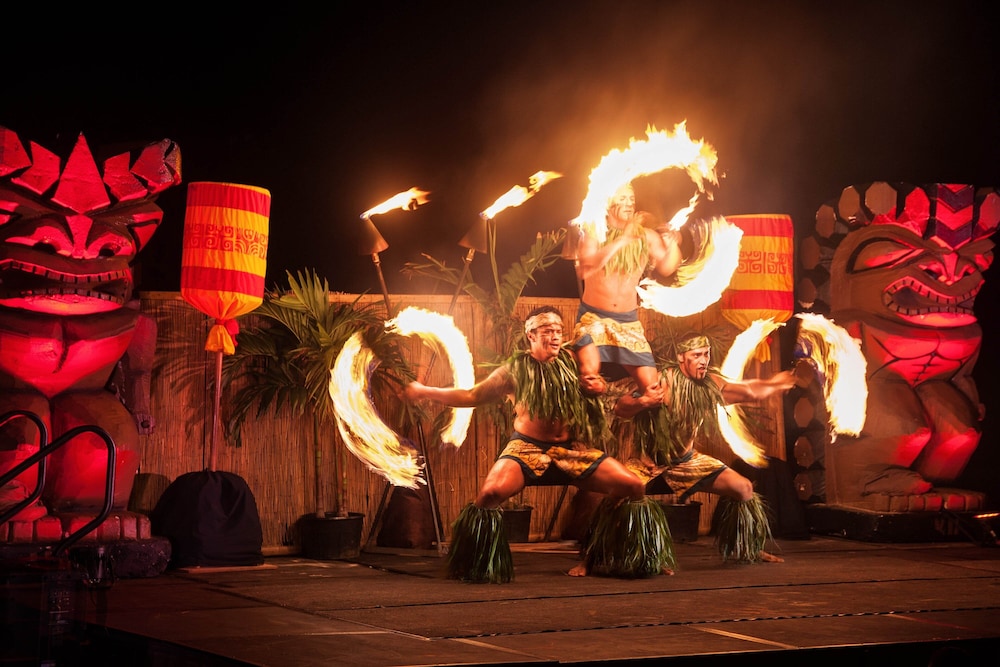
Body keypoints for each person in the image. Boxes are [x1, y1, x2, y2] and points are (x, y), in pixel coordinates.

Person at [403, 305, 674, 583]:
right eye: (547, 331)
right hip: (528, 448)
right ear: (531, 335)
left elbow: (603, 374)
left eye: (558, 331)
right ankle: (473, 564)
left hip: (572, 450)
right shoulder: (514, 371)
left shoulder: (573, 362)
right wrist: (426, 391)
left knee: (633, 486)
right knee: (489, 494)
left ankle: (623, 557)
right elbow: (472, 396)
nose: (555, 336)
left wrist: (600, 387)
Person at [613, 332, 797, 565]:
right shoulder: (661, 381)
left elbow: (748, 391)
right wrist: (642, 402)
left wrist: (775, 384)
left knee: (743, 488)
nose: (703, 361)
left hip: (687, 462)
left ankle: (749, 548)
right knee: (614, 499)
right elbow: (621, 407)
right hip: (649, 463)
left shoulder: (710, 385)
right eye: (697, 355)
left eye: (706, 355)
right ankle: (600, 557)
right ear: (681, 357)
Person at [572, 182, 681, 399]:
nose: (629, 203)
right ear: (608, 203)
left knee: (653, 390)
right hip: (593, 319)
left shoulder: (646, 237)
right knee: (590, 378)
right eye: (622, 198)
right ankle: (596, 414)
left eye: (631, 199)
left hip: (628, 322)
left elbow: (668, 268)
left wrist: (673, 245)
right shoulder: (594, 233)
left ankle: (625, 407)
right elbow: (586, 268)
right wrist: (623, 239)